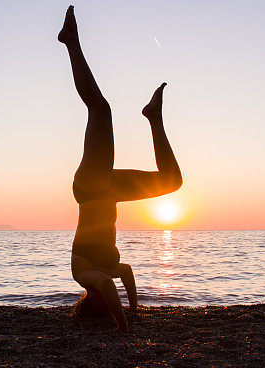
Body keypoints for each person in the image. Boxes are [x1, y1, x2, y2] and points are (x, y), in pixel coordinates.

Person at [59, 5, 183, 331]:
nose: (101, 296)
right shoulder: (108, 271)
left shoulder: (84, 275)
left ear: (90, 302)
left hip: (90, 189)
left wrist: (124, 327)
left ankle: (70, 42)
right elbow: (125, 273)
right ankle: (153, 118)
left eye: (98, 303)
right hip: (110, 191)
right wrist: (135, 308)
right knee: (172, 182)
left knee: (100, 110)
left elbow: (108, 284)